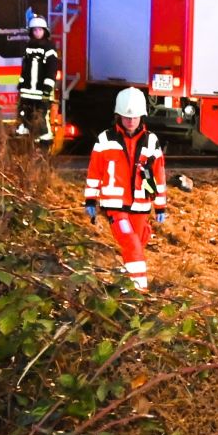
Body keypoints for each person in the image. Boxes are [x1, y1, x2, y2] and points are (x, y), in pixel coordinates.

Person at [84, 87, 166, 291]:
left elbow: (158, 176)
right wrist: (90, 200)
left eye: (135, 117)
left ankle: (124, 286)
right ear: (118, 116)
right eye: (127, 117)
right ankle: (139, 292)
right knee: (131, 245)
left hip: (141, 207)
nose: (130, 121)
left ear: (142, 116)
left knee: (136, 245)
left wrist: (160, 206)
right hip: (115, 208)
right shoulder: (105, 140)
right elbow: (94, 172)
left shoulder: (151, 141)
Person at [16, 16, 60, 142]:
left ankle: (45, 145)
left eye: (40, 30)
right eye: (34, 30)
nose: (37, 33)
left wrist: (47, 89)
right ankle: (30, 147)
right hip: (27, 92)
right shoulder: (28, 47)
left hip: (42, 92)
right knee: (26, 117)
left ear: (45, 31)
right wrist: (21, 85)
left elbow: (52, 69)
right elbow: (25, 69)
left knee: (41, 119)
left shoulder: (49, 48)